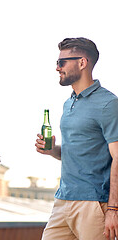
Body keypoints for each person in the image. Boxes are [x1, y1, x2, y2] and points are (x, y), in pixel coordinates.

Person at [35, 37, 118, 240]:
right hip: (63, 200)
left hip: (93, 204)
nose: (57, 68)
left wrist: (114, 209)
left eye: (62, 62)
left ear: (82, 62)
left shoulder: (108, 104)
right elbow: (78, 153)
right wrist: (52, 150)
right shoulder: (68, 103)